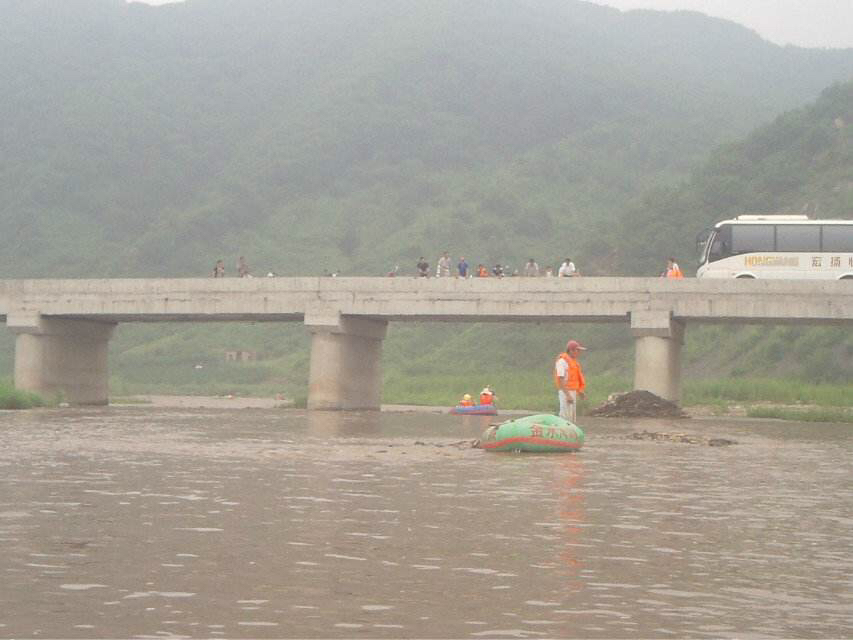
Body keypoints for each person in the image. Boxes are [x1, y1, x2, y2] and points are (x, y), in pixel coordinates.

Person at [554, 340, 586, 423]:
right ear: (571, 350)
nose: (579, 352)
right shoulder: (562, 362)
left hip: (572, 391)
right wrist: (567, 395)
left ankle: (570, 434)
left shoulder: (574, 362)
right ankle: (561, 433)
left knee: (571, 417)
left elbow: (574, 380)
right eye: (577, 350)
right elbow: (560, 379)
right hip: (565, 392)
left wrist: (579, 391)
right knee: (565, 416)